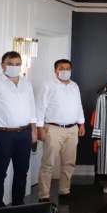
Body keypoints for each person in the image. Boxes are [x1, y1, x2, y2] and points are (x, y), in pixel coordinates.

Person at [0, 51, 37, 207]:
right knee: (0, 172)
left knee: (22, 171)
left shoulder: (27, 83)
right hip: (2, 135)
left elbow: (32, 108)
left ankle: (18, 204)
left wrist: (33, 131)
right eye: (10, 64)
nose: (15, 67)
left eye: (18, 64)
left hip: (25, 133)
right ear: (2, 65)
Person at [35, 59, 85, 202]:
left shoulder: (74, 86)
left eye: (67, 68)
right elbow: (40, 108)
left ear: (71, 70)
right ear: (55, 70)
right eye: (61, 68)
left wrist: (81, 124)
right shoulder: (47, 85)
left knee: (69, 163)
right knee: (48, 164)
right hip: (53, 128)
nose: (65, 71)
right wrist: (40, 129)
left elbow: (78, 106)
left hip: (72, 129)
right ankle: (44, 194)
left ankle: (64, 190)